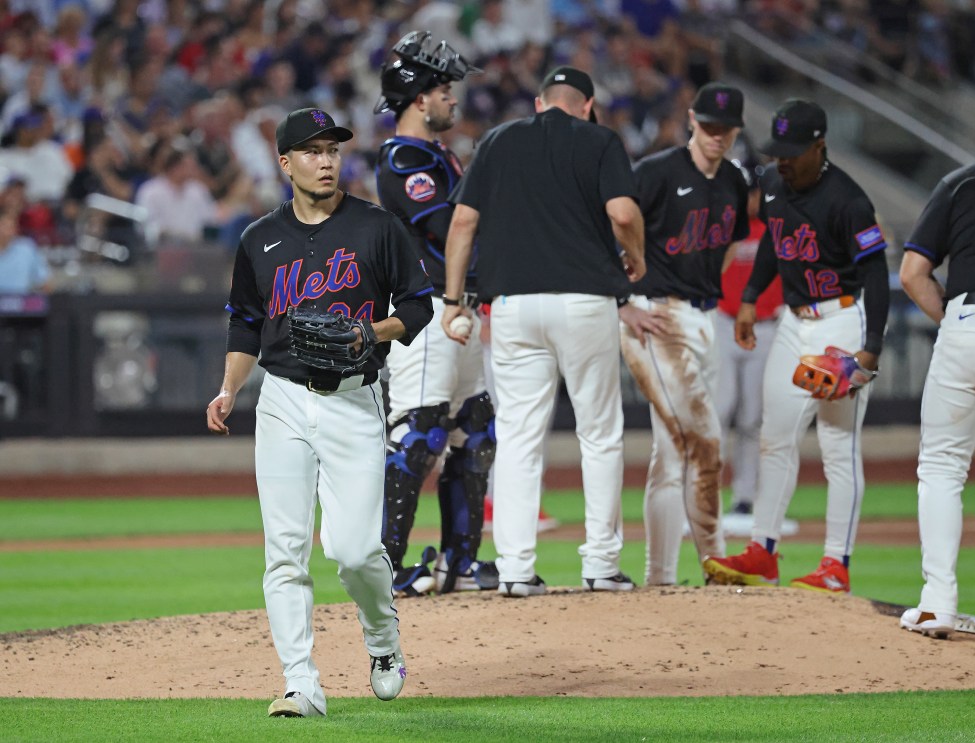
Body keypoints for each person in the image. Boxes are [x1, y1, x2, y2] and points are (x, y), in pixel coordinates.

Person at [205, 107, 434, 716]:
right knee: (284, 548)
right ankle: (300, 681)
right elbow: (245, 322)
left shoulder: (376, 228)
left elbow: (418, 307)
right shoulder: (259, 238)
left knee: (355, 550)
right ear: (285, 163)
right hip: (280, 396)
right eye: (311, 150)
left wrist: (371, 331)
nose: (326, 159)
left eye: (332, 149)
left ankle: (382, 639)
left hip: (354, 398)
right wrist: (229, 388)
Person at [441, 66, 646, 597]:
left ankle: (513, 568)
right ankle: (600, 564)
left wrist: (452, 299)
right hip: (583, 302)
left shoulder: (498, 140)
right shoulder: (600, 140)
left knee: (518, 437)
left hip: (511, 304)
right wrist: (637, 257)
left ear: (539, 103)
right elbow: (623, 213)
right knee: (598, 434)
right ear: (587, 105)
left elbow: (462, 222)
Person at [703, 98, 890, 594]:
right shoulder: (772, 183)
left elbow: (876, 274)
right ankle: (763, 552)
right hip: (791, 322)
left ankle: (836, 563)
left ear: (820, 145)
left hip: (841, 321)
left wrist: (869, 351)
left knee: (837, 448)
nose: (782, 159)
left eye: (793, 151)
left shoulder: (848, 200)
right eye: (777, 150)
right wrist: (747, 298)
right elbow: (774, 241)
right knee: (774, 439)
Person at [373, 30, 498, 596]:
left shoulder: (436, 154)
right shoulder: (405, 157)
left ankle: (459, 563)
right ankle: (387, 568)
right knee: (419, 431)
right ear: (420, 98)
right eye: (445, 89)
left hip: (461, 308)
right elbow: (448, 230)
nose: (453, 98)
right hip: (426, 310)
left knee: (474, 429)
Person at [897, 94, 975, 644]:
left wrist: (953, 319)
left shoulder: (964, 181)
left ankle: (939, 603)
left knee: (944, 469)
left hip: (973, 317)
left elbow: (912, 273)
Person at [617, 82, 750, 585]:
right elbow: (610, 227)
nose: (716, 136)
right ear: (692, 120)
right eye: (709, 126)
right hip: (657, 314)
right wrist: (624, 300)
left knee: (671, 452)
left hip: (704, 315)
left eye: (725, 129)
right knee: (704, 439)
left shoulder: (734, 180)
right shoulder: (657, 172)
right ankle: (715, 566)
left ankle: (661, 579)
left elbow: (732, 246)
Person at [714, 156, 794, 538]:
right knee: (719, 412)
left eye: (754, 191)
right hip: (724, 322)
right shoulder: (723, 227)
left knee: (752, 419)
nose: (751, 198)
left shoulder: (774, 228)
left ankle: (744, 496)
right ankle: (705, 494)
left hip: (765, 326)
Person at [0, 205, 50, 294]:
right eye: (4, 225)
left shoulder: (27, 248)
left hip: (23, 303)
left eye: (12, 226)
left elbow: (44, 282)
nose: (8, 230)